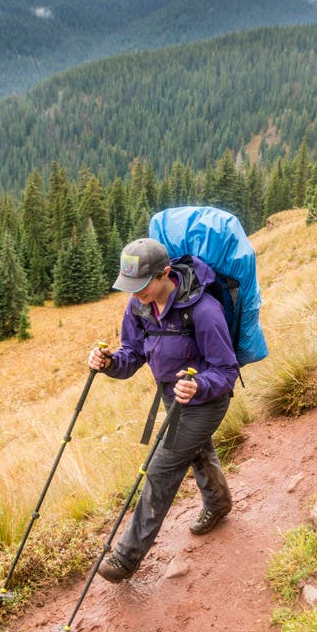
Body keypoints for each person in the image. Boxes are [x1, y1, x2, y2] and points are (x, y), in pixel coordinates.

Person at [88, 237, 239, 583]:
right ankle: (218, 504)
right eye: (129, 285)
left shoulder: (203, 311)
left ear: (165, 273)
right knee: (195, 450)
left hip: (207, 402)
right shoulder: (138, 306)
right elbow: (132, 355)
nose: (134, 292)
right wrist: (109, 362)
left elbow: (226, 370)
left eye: (141, 284)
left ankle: (125, 558)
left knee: (160, 469)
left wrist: (199, 385)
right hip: (173, 399)